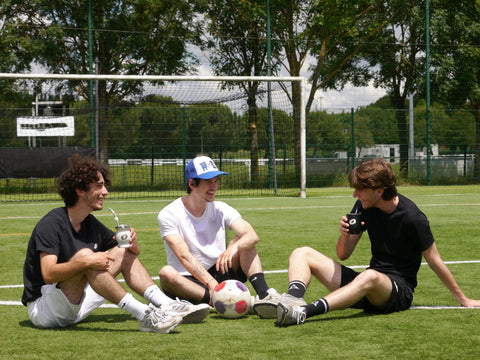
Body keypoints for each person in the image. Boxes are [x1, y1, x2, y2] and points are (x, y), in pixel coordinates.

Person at [254, 158, 480, 326]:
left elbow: (435, 261)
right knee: (302, 253)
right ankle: (291, 300)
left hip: (395, 292)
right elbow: (343, 255)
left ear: (380, 191)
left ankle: (303, 312)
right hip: (365, 287)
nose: (355, 195)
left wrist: (464, 299)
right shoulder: (363, 207)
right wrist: (345, 234)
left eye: (360, 189)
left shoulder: (413, 218)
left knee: (369, 276)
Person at [21, 156, 209, 333]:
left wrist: (131, 241)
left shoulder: (90, 223)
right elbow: (48, 274)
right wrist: (86, 262)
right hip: (45, 310)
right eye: (99, 186)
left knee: (118, 251)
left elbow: (131, 253)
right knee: (87, 257)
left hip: (77, 304)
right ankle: (145, 315)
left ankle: (165, 304)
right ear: (80, 190)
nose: (105, 192)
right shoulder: (52, 223)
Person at [157, 156, 279, 310]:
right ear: (192, 183)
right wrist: (211, 283)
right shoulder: (169, 214)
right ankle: (218, 299)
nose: (214, 187)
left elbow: (252, 235)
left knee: (242, 240)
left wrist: (233, 248)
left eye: (216, 181)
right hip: (190, 279)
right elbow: (184, 256)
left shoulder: (221, 208)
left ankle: (264, 296)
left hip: (220, 271)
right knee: (166, 274)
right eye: (208, 182)